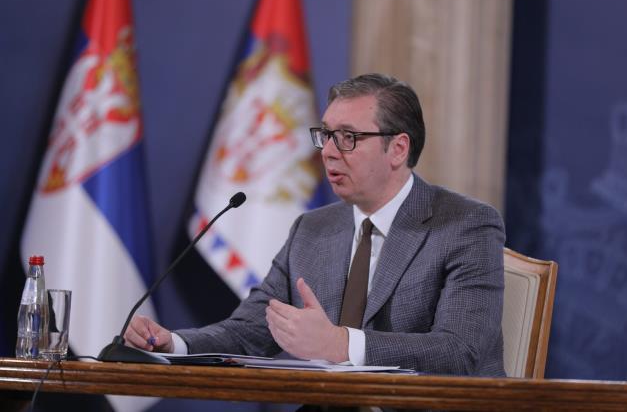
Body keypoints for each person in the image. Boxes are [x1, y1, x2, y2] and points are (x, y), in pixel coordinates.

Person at [125, 73, 506, 376]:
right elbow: (251, 329)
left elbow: (460, 350)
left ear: (398, 149)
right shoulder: (312, 229)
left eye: (348, 137)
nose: (328, 152)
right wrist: (173, 343)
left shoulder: (465, 225)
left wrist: (341, 344)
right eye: (326, 135)